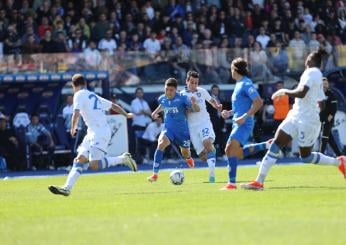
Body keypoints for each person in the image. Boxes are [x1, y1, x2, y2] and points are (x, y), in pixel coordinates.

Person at [241, 50, 346, 191]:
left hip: (307, 120)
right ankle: (259, 181)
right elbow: (321, 101)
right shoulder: (314, 75)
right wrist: (318, 111)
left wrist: (284, 91)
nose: (305, 59)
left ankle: (339, 162)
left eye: (307, 57)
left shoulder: (312, 72)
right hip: (296, 115)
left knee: (306, 157)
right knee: (276, 143)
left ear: (310, 60)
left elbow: (302, 93)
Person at [48, 74, 138, 196]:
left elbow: (76, 113)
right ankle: (67, 188)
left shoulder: (78, 95)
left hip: (100, 132)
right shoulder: (93, 95)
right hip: (92, 132)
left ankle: (122, 159)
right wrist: (126, 115)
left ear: (74, 86)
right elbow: (113, 106)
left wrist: (73, 127)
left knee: (94, 165)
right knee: (79, 160)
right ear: (84, 84)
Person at [220, 57, 264, 190]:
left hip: (245, 123)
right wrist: (230, 113)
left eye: (231, 69)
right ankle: (265, 145)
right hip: (237, 122)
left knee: (230, 148)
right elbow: (241, 107)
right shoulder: (239, 84)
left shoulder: (246, 84)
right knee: (231, 151)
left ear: (235, 70)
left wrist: (245, 116)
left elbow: (258, 102)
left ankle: (231, 184)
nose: (230, 72)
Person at [147, 78, 200, 182]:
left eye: (171, 90)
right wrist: (154, 112)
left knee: (185, 152)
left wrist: (194, 104)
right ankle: (155, 174)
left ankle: (188, 158)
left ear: (176, 90)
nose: (169, 92)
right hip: (168, 129)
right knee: (161, 144)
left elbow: (197, 110)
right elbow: (163, 105)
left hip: (182, 131)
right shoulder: (162, 98)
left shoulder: (182, 98)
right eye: (167, 89)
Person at [180, 71, 222, 183]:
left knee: (207, 143)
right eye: (192, 82)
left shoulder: (202, 91)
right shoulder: (182, 95)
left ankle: (212, 176)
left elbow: (211, 100)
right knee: (203, 157)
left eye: (196, 83)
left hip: (204, 122)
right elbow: (183, 111)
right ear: (187, 81)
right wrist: (192, 106)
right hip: (192, 127)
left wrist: (216, 105)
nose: (194, 85)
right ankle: (211, 151)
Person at [319, 77, 342, 156]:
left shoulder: (331, 94)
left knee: (324, 137)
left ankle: (320, 155)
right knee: (330, 139)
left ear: (328, 85)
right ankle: (339, 155)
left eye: (326, 84)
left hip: (328, 120)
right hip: (318, 120)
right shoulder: (317, 94)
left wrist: (327, 120)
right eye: (323, 84)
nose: (324, 85)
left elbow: (334, 109)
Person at [130, 87, 152, 163]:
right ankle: (138, 159)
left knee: (144, 143)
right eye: (138, 92)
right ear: (136, 94)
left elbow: (149, 112)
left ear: (143, 93)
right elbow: (138, 112)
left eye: (141, 92)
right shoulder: (134, 102)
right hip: (137, 125)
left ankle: (144, 158)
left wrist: (144, 111)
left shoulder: (145, 102)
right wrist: (144, 111)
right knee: (137, 144)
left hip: (144, 125)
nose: (140, 94)